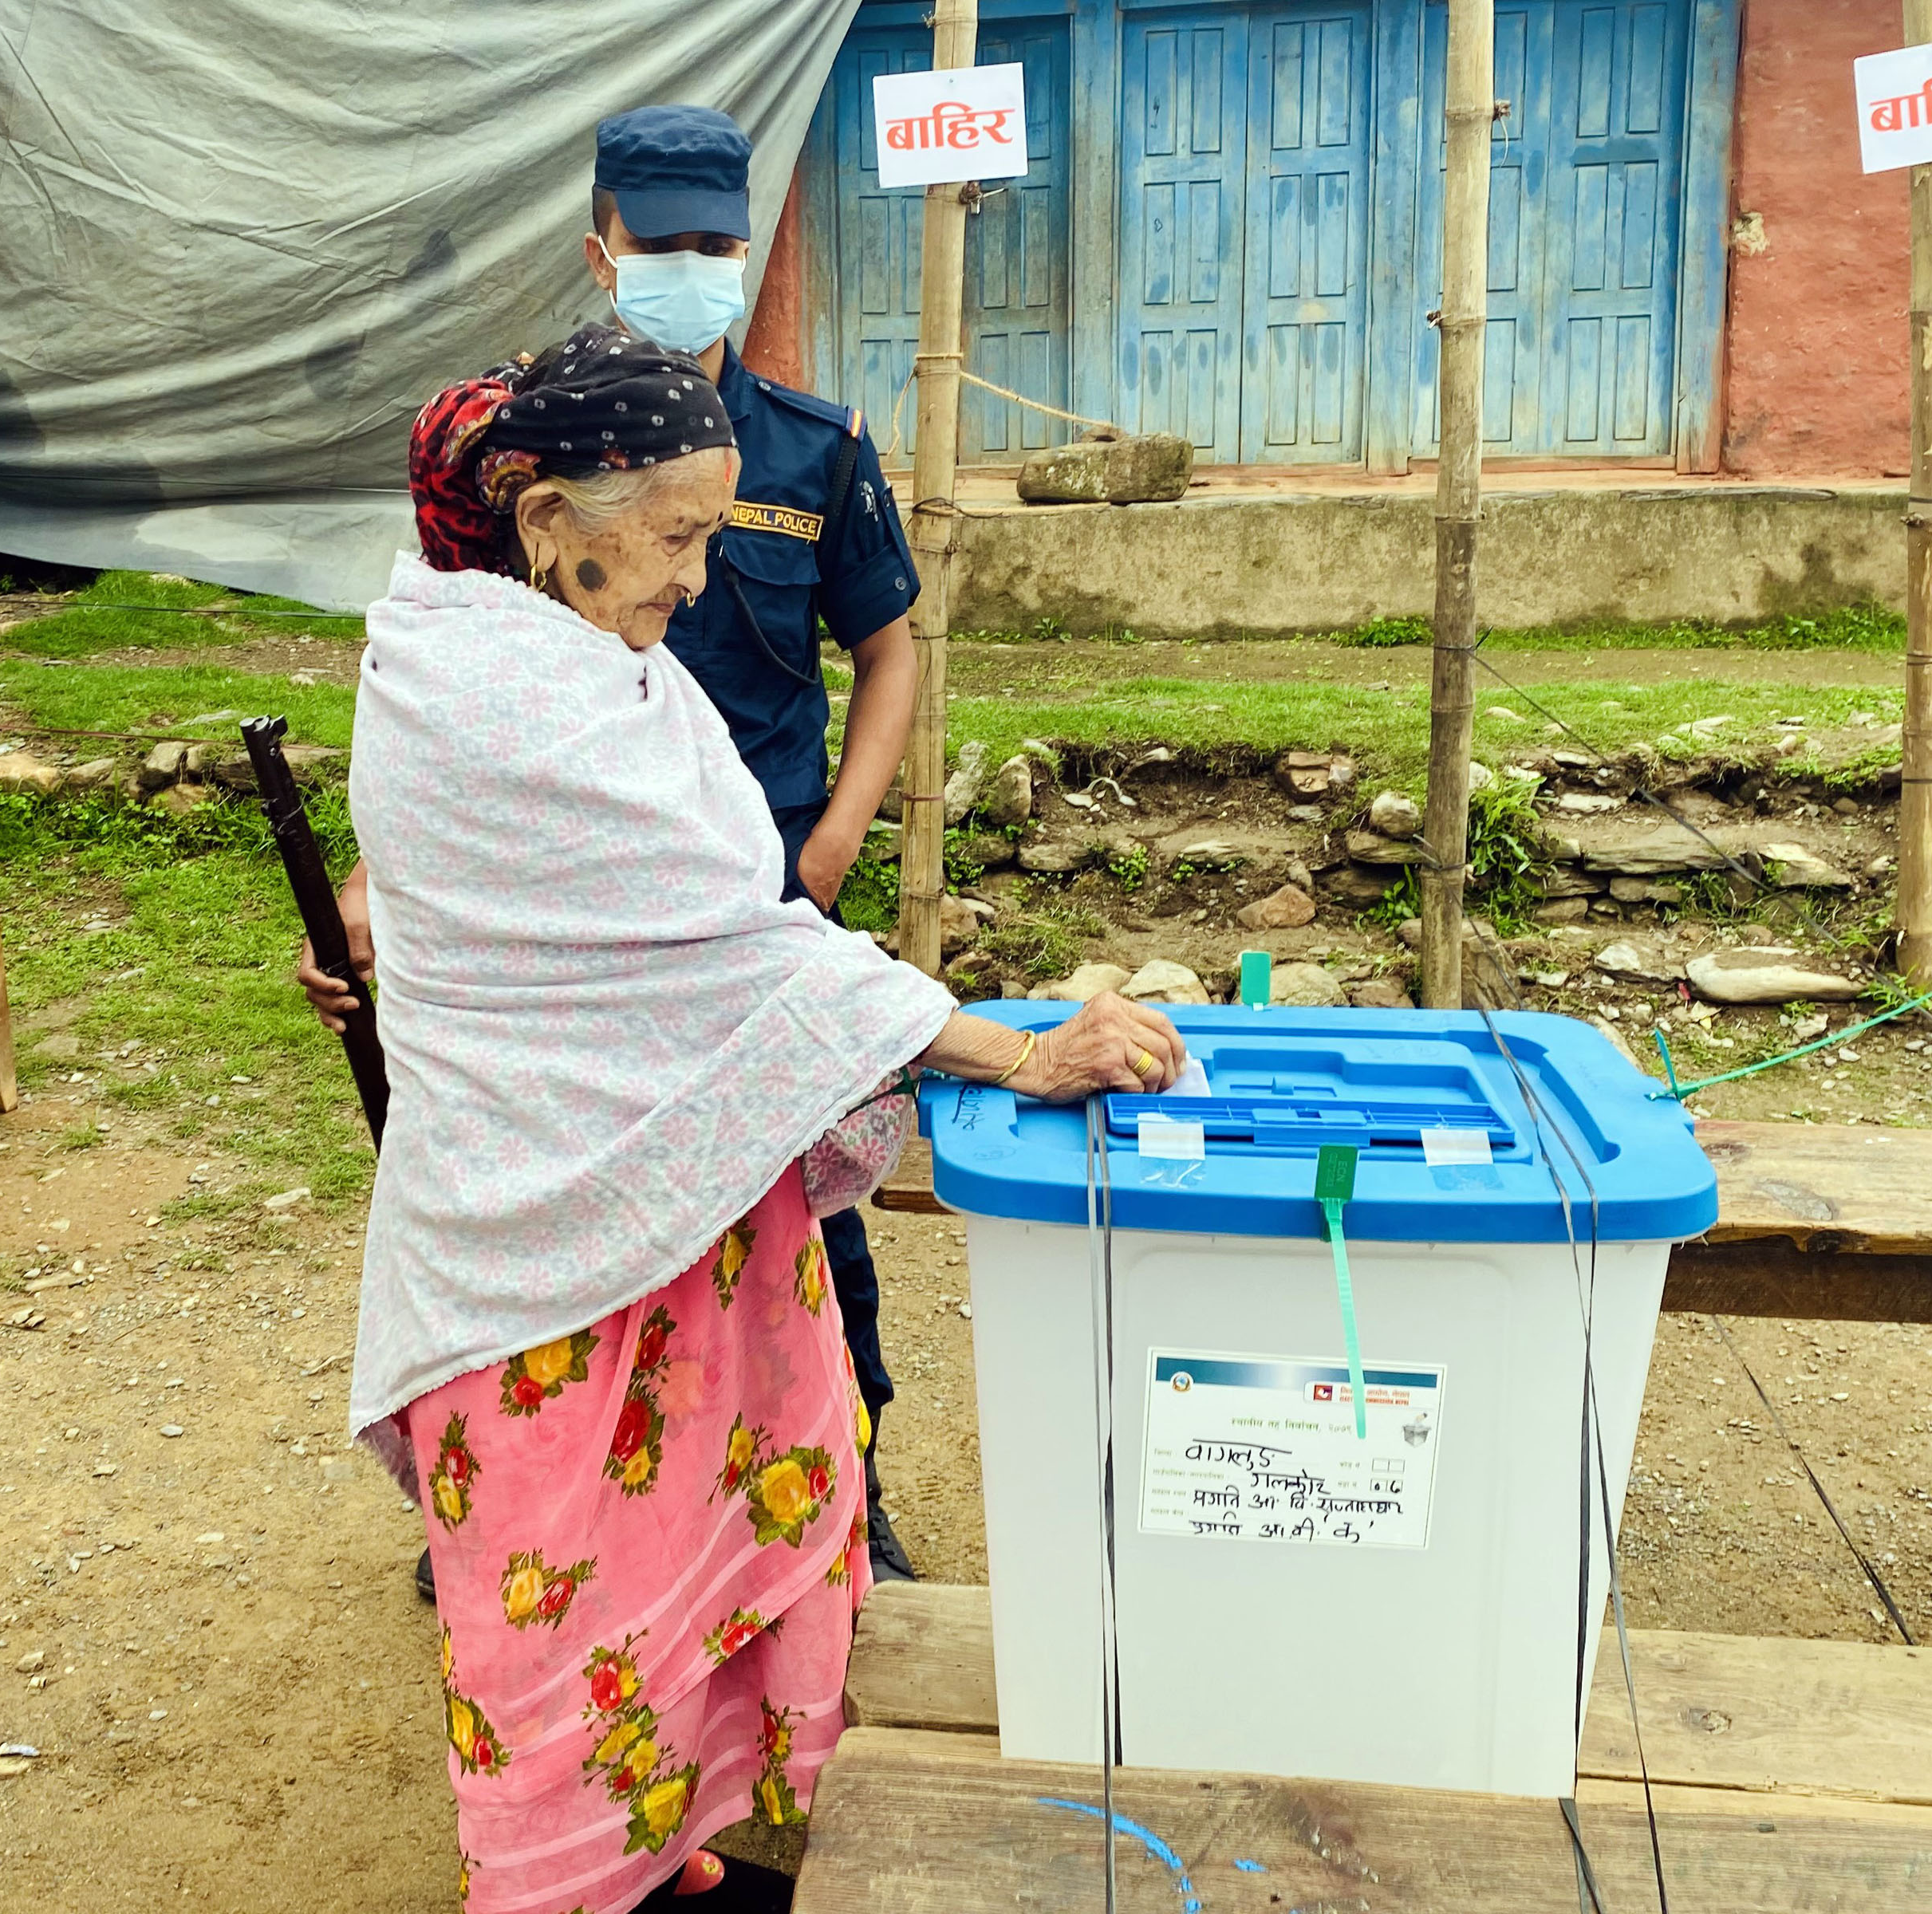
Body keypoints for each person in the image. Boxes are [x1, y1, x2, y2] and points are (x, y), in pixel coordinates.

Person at [345, 325, 1185, 1912]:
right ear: (550, 526)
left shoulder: (582, 670)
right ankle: (583, 1874)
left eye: (711, 533)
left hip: (655, 1225)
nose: (693, 574)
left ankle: (665, 1843)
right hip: (542, 1264)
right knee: (571, 1609)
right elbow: (742, 956)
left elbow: (709, 945)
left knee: (676, 1561)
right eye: (673, 536)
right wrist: (1015, 1058)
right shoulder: (503, 704)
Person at [306, 101, 932, 1591]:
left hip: (757, 887)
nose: (694, 269)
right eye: (664, 245)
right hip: (573, 929)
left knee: (790, 1220)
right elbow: (457, 729)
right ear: (607, 254)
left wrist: (836, 840)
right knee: (571, 1216)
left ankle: (846, 1477)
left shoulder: (812, 448)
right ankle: (528, 1500)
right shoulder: (510, 455)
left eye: (722, 245)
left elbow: (892, 650)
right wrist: (372, 897)